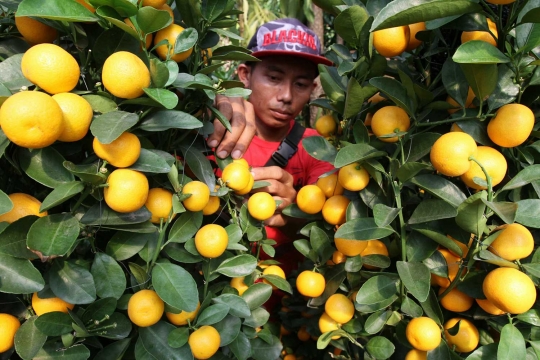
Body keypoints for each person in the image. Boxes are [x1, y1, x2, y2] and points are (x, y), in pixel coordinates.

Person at [223, 18, 335, 269]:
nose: (286, 96)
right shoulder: (217, 134)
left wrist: (294, 211)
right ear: (245, 75)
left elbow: (329, 235)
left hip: (293, 298)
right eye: (274, 77)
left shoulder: (317, 148)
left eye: (301, 84)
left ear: (313, 88)